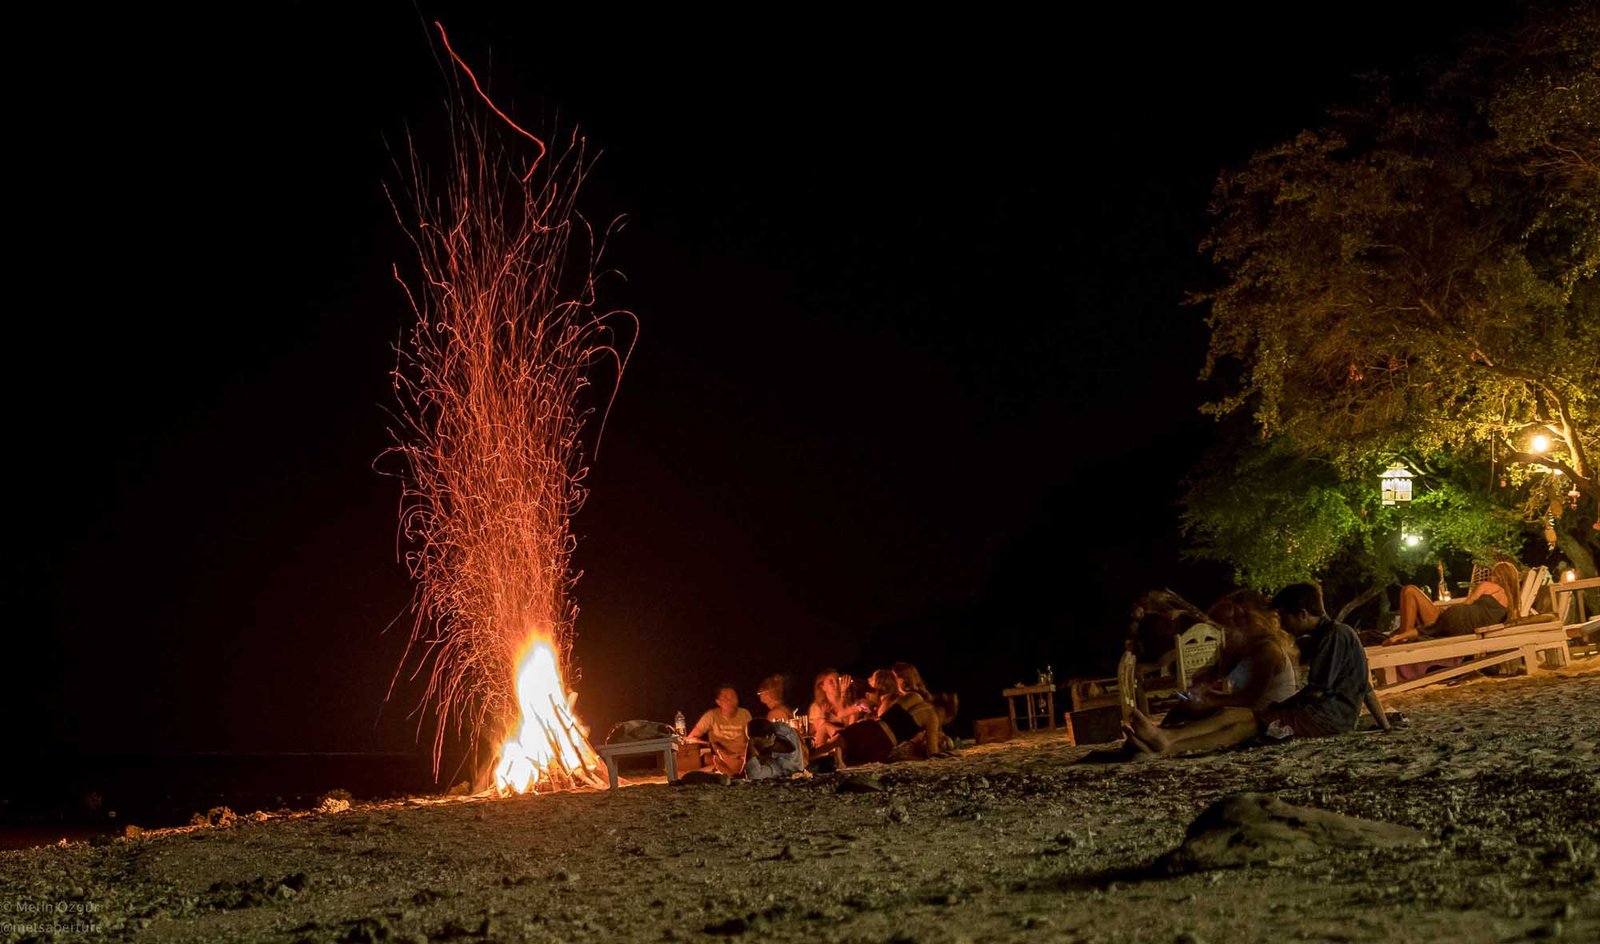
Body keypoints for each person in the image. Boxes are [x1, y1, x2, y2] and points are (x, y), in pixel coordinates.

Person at [1122, 582, 1390, 755]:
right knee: (1235, 714)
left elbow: (1318, 692)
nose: (1282, 623)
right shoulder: (1334, 635)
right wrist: (1385, 726)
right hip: (1329, 716)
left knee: (1248, 724)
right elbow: (1364, 686)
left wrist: (1279, 708)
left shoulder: (1332, 636)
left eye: (1285, 616)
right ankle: (1166, 737)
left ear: (1303, 614)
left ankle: (1168, 745)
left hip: (1325, 718)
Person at [1173, 592, 1299, 717]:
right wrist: (1199, 689)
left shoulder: (1268, 649)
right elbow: (1214, 676)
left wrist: (1208, 701)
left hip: (1271, 717)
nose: (1237, 624)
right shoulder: (1248, 647)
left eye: (1244, 617)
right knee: (1183, 708)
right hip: (1252, 712)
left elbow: (1250, 699)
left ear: (1261, 618)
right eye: (1235, 618)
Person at [1382, 561, 1520, 645]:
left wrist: (1449, 609)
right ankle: (1401, 636)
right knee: (1411, 595)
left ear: (1499, 576)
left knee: (1409, 590)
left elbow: (1468, 603)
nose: (1491, 576)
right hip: (1464, 625)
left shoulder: (1488, 586)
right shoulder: (1510, 604)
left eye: (1493, 574)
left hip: (1455, 621)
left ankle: (1402, 637)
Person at [686, 685, 753, 776]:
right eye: (725, 698)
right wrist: (708, 743)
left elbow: (753, 739)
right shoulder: (711, 716)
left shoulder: (744, 714)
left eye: (733, 696)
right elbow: (690, 738)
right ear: (718, 702)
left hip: (742, 757)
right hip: (721, 756)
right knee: (711, 759)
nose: (730, 700)